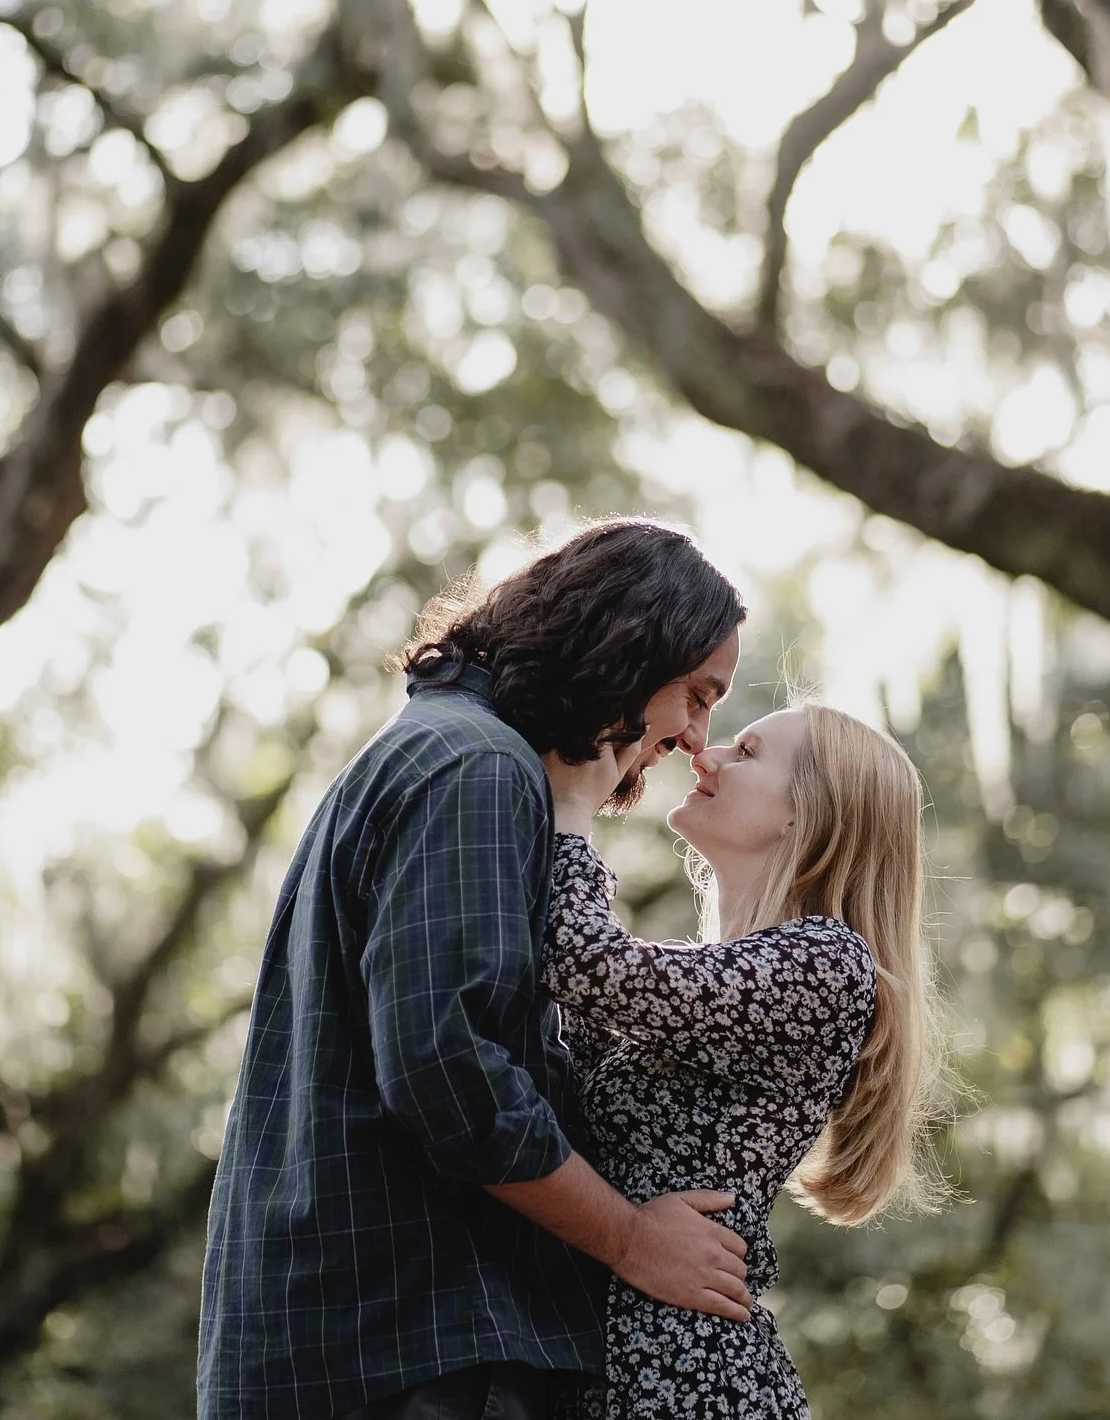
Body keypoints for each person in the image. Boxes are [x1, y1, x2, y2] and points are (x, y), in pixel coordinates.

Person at [197, 519, 748, 1420]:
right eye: (695, 691)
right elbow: (450, 1072)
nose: (695, 736)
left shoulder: (445, 749)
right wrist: (632, 1240)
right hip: (419, 1344)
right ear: (626, 641)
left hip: (375, 1341)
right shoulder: (478, 769)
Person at [541, 704, 949, 1419]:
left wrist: (573, 811)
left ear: (806, 814)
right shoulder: (701, 975)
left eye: (747, 751)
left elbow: (579, 961)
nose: (705, 755)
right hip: (609, 1361)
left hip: (690, 1379)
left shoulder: (827, 963)